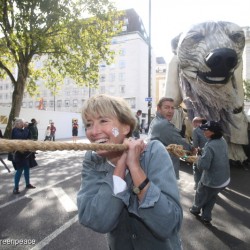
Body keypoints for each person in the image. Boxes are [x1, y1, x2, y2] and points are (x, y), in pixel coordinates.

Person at [77, 94, 183, 250]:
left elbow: (168, 224)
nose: (93, 131)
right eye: (88, 124)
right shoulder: (92, 161)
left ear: (126, 127)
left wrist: (134, 167)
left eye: (103, 121)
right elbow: (97, 221)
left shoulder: (153, 152)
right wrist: (118, 168)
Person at [189, 121, 230, 225]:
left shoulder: (210, 146)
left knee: (201, 194)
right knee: (211, 196)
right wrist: (202, 152)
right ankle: (206, 216)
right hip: (224, 179)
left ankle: (195, 209)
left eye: (206, 129)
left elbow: (204, 165)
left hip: (212, 180)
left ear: (212, 132)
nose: (203, 131)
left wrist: (198, 159)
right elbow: (216, 154)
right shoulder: (222, 140)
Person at [148, 97, 194, 179]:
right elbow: (181, 143)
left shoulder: (156, 120)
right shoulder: (163, 125)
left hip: (157, 169)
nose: (170, 111)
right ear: (159, 108)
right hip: (165, 172)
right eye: (166, 107)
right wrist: (192, 149)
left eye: (172, 108)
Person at [10, 118, 36, 194]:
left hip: (25, 154)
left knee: (27, 169)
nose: (23, 124)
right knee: (19, 170)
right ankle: (16, 188)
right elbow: (21, 137)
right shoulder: (15, 130)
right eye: (22, 123)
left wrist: (28, 128)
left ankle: (28, 184)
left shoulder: (23, 130)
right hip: (18, 154)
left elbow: (29, 137)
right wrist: (26, 128)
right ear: (18, 124)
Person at [192, 117, 208, 190]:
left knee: (196, 168)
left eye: (193, 123)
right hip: (210, 150)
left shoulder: (196, 130)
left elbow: (195, 145)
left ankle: (197, 184)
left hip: (201, 151)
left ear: (196, 123)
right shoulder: (208, 128)